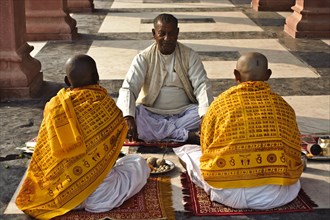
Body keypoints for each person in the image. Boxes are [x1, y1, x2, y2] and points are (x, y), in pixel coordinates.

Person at [15, 54, 150, 219]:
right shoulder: (106, 105)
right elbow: (114, 148)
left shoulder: (54, 107)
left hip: (62, 193)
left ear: (66, 80)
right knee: (138, 163)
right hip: (100, 196)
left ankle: (73, 200)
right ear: (97, 78)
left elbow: (44, 152)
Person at [174, 52, 304, 209]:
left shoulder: (220, 104)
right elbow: (295, 151)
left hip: (228, 194)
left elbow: (206, 146)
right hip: (275, 195)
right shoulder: (284, 108)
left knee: (186, 152)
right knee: (294, 172)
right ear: (268, 75)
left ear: (236, 75)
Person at [116, 13, 213, 144]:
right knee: (134, 115)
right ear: (154, 33)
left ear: (177, 33)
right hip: (151, 113)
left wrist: (205, 115)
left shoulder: (190, 55)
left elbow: (202, 85)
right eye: (162, 34)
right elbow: (129, 88)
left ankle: (161, 132)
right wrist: (128, 117)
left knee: (210, 111)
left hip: (184, 113)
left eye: (171, 33)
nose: (167, 38)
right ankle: (185, 135)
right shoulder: (143, 57)